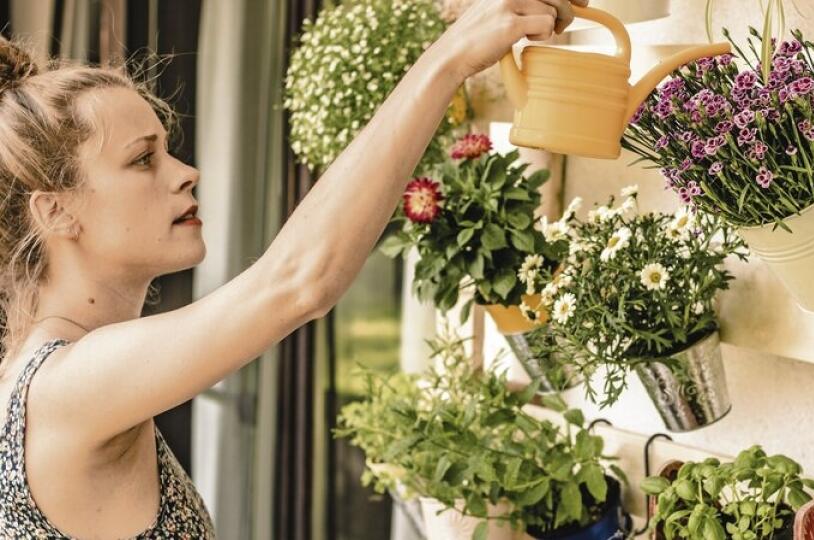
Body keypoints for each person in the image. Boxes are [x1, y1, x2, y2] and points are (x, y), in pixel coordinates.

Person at [0, 0, 589, 537]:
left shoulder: (50, 374)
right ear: (57, 210)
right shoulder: (65, 388)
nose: (185, 172)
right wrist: (449, 58)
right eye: (143, 159)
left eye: (166, 148)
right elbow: (299, 281)